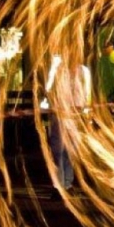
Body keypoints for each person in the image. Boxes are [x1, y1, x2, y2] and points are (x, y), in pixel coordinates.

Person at [46, 56, 92, 199]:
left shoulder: (83, 71)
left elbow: (87, 93)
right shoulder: (59, 70)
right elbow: (49, 88)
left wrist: (86, 112)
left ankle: (67, 183)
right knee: (59, 150)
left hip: (75, 115)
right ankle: (59, 185)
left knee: (71, 151)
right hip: (61, 115)